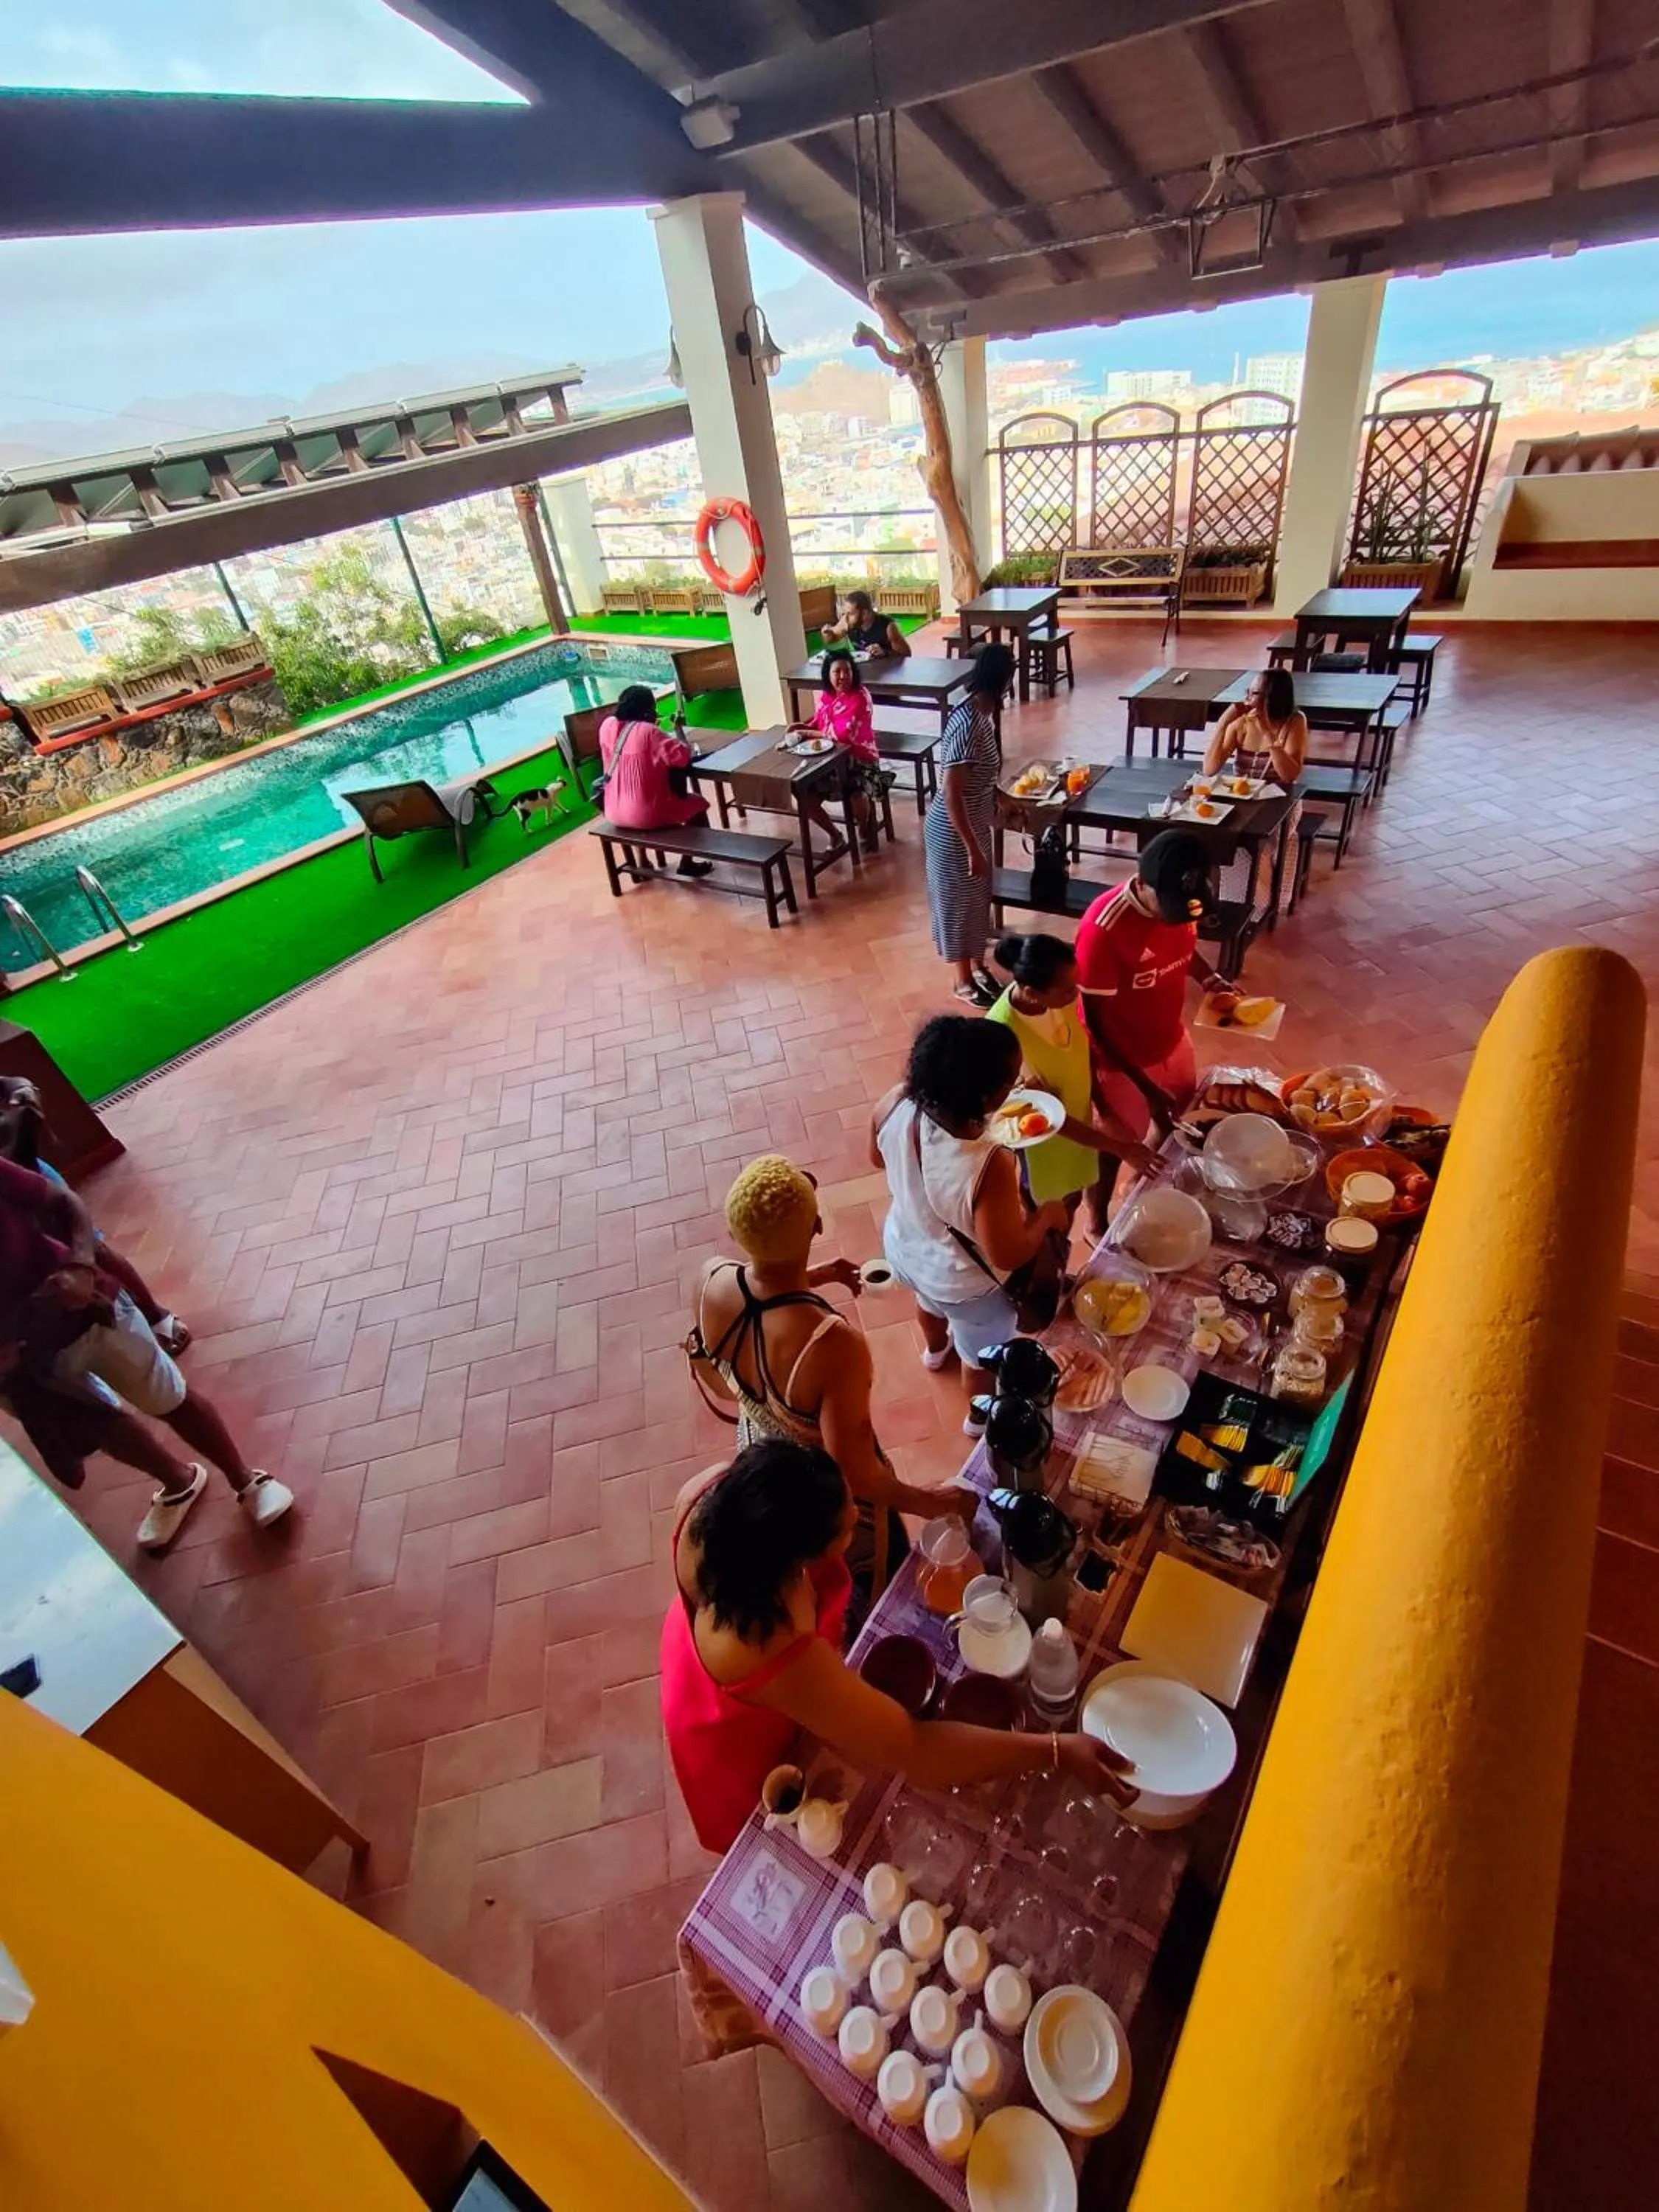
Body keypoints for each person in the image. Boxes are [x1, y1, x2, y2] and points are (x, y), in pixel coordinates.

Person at [662, 1439, 1135, 1853]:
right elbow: (918, 1751)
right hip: (728, 1725)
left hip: (695, 1647)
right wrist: (1056, 1749)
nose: (857, 1517)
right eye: (847, 1528)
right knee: (782, 1808)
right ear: (796, 1560)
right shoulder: (777, 1650)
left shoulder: (716, 1496)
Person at [689, 1155, 974, 1615]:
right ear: (817, 1226)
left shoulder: (711, 1281)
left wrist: (818, 1275)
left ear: (737, 1232)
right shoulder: (832, 1347)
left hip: (760, 1459)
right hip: (826, 1508)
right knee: (868, 1595)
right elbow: (856, 1473)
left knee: (807, 1589)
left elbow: (759, 1298)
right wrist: (932, 1502)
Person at [0, 1155, 293, 1551]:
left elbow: (64, 1201)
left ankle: (245, 1479)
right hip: (25, 1364)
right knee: (97, 1425)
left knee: (169, 1397)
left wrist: (82, 1266)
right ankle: (178, 1483)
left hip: (87, 1312)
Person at [870, 1015, 1071, 1413]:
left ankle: (934, 1351)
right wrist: (1048, 1215)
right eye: (1010, 1082)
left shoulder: (896, 1102)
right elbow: (1008, 1255)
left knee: (928, 1304)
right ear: (985, 1098)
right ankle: (980, 1419)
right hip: (962, 1285)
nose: (1015, 1087)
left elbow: (877, 1157)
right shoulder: (989, 1163)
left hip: (906, 1249)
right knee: (980, 1359)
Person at [1076, 831, 1237, 1178]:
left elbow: (1183, 947)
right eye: (1169, 907)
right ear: (1141, 884)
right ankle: (1098, 1210)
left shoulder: (1182, 904)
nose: (1175, 918)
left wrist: (1209, 979)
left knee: (1179, 1119)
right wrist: (1146, 1088)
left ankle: (1142, 1185)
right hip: (1122, 1061)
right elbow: (1094, 1025)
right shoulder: (1103, 931)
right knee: (1118, 1145)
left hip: (1171, 1039)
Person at [0, 1077, 189, 1351]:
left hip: (29, 1179)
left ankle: (155, 1314)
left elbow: (15, 1084)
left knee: (93, 1247)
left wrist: (23, 1095)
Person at [985, 934, 1157, 1221]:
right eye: (1066, 990)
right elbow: (1043, 1116)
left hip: (1078, 1122)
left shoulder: (1059, 1002)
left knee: (1073, 1194)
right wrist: (1121, 1148)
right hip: (1043, 1140)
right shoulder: (1002, 1035)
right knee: (1048, 1209)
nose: (1076, 994)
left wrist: (1101, 1107)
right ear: (1031, 992)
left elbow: (1080, 1051)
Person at [924, 641, 1015, 1006]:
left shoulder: (982, 714)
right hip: (953, 834)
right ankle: (962, 982)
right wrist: (972, 849)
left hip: (974, 825)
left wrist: (1004, 799)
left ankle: (978, 967)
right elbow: (951, 793)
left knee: (978, 901)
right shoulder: (969, 724)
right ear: (1003, 679)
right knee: (958, 906)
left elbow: (981, 775)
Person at [597, 683, 713, 877]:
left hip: (613, 809)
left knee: (636, 802)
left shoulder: (607, 726)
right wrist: (678, 730)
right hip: (646, 814)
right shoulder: (649, 732)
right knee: (699, 805)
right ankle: (687, 862)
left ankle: (643, 860)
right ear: (648, 709)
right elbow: (682, 756)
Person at [787, 651, 888, 852]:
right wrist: (802, 727)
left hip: (861, 759)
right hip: (828, 760)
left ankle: (864, 827)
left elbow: (842, 734)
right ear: (828, 674)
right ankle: (835, 835)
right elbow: (821, 722)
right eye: (837, 672)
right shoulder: (827, 696)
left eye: (847, 671)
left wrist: (807, 733)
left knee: (857, 793)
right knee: (801, 792)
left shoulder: (860, 696)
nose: (843, 676)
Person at [1204, 666, 1309, 790]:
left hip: (1280, 797)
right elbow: (1209, 770)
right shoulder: (1241, 723)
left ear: (1273, 698)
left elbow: (1289, 776)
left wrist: (1267, 732)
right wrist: (1222, 724)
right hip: (1242, 795)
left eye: (1254, 694)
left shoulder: (1294, 721)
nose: (1247, 700)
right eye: (1247, 692)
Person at [822, 588, 910, 661]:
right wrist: (827, 633)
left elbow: (906, 654)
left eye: (851, 614)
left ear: (865, 613)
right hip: (863, 670)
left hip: (887, 672)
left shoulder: (888, 627)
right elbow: (832, 638)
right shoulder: (847, 621)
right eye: (846, 613)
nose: (846, 617)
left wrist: (885, 652)